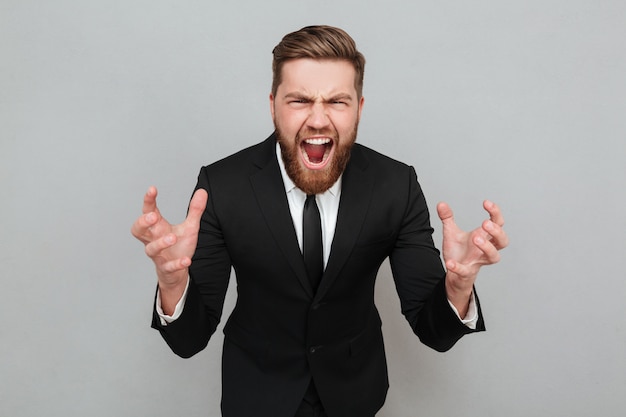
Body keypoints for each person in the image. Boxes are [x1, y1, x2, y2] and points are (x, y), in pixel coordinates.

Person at [131, 25, 508, 417]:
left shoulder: (396, 185)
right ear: (273, 104)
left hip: (355, 396)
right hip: (256, 397)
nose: (317, 119)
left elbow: (435, 333)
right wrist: (173, 284)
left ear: (359, 108)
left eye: (336, 102)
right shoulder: (221, 186)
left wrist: (457, 287)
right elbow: (188, 340)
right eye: (299, 101)